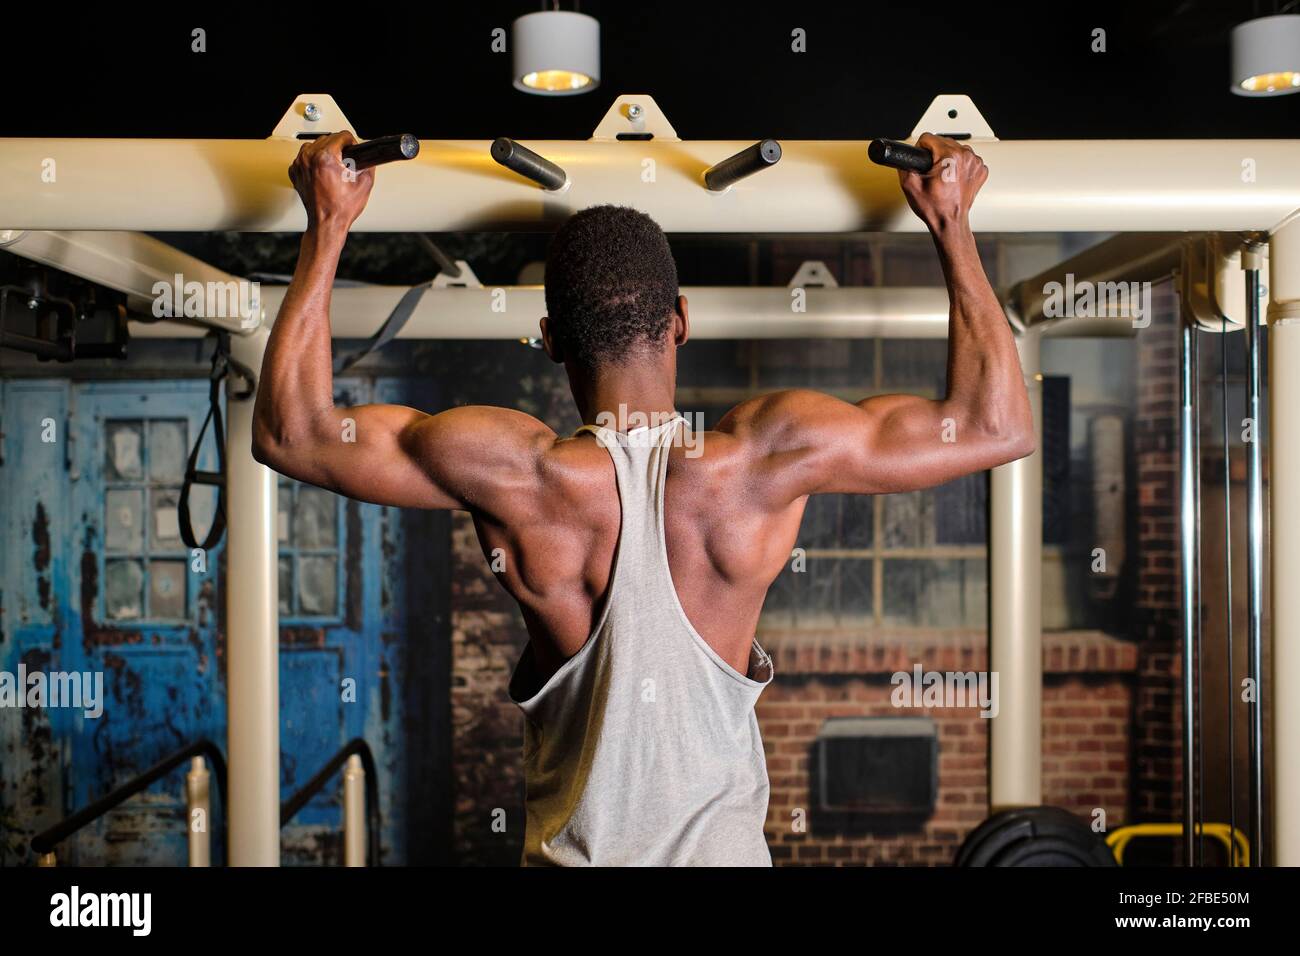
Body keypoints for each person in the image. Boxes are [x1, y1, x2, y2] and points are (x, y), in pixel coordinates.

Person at [253, 132, 1034, 866]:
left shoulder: (511, 472)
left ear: (551, 337)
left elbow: (292, 433)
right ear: (681, 320)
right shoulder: (768, 455)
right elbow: (996, 425)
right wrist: (951, 221)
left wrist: (328, 223)